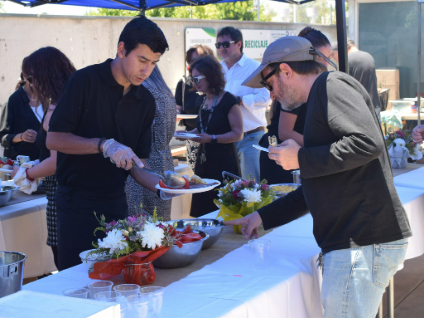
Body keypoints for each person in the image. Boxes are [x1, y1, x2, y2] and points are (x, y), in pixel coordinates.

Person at [227, 36, 411, 317]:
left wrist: (299, 158)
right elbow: (316, 187)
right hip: (356, 243)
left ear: (286, 70)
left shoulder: (331, 85)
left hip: (360, 241)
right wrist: (263, 217)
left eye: (270, 84)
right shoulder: (320, 96)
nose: (272, 95)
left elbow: (369, 143)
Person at [46, 16, 172, 271]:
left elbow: (138, 164)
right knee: (77, 278)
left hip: (116, 202)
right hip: (75, 201)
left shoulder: (146, 101)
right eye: (142, 60)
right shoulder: (85, 81)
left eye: (154, 64)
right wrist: (103, 145)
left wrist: (164, 186)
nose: (147, 71)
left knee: (114, 277)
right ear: (121, 49)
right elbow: (54, 138)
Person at [10, 47, 76, 269]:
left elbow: (58, 162)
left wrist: (24, 173)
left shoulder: (60, 105)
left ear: (44, 74)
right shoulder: (69, 98)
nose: (29, 83)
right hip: (64, 194)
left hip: (64, 195)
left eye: (29, 77)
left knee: (66, 263)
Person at [260, 27, 332, 184]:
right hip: (283, 158)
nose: (326, 64)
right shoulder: (293, 93)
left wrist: (312, 155)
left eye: (328, 57)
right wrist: (315, 153)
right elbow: (285, 132)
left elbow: (364, 145)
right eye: (321, 57)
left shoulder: (331, 88)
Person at [181, 56, 243, 217]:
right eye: (192, 79)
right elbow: (203, 129)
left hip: (224, 162)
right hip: (205, 163)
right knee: (203, 210)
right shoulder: (203, 100)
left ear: (211, 75)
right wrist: (187, 135)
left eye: (197, 78)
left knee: (224, 210)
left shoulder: (229, 100)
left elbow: (238, 134)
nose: (194, 83)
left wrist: (212, 138)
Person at [216, 26, 270, 181]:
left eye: (225, 44)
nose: (221, 48)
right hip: (225, 139)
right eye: (218, 45)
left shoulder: (254, 67)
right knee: (228, 190)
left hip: (250, 137)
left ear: (239, 44)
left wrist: (239, 100)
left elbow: (265, 98)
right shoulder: (218, 69)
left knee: (251, 189)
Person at [125, 66, 177, 220]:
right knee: (160, 221)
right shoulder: (166, 92)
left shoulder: (141, 91)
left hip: (143, 160)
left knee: (140, 222)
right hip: (164, 160)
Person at [175, 45, 215, 171]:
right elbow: (178, 108)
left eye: (197, 60)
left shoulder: (217, 88)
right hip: (192, 138)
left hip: (213, 139)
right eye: (190, 61)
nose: (193, 64)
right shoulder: (183, 84)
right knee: (198, 178)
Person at [0, 57, 43, 160]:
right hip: (21, 167)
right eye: (35, 78)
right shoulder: (12, 101)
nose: (41, 83)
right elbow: (3, 137)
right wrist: (21, 136)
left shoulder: (49, 98)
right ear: (25, 77)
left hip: (45, 164)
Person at [347, 39, 381, 120]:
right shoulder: (368, 56)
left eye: (333, 54)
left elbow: (345, 85)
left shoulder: (348, 59)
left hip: (359, 107)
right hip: (374, 104)